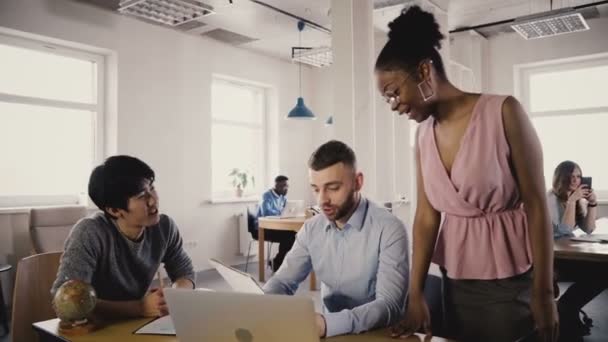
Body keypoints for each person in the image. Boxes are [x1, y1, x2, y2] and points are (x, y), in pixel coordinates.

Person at [375, 6, 558, 342]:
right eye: (387, 98)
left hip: (510, 279)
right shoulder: (423, 135)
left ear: (424, 70)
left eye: (394, 92)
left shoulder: (504, 111)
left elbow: (536, 205)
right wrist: (415, 293)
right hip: (453, 280)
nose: (394, 105)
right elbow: (427, 216)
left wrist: (543, 294)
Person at [263, 140, 409, 338]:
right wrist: (263, 302)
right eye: (316, 189)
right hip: (332, 334)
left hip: (378, 334)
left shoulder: (390, 229)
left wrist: (326, 324)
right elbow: (282, 281)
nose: (322, 200)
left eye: (332, 188)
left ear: (358, 182)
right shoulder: (311, 229)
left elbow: (389, 306)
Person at [51, 155, 195, 319]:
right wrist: (139, 308)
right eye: (141, 196)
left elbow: (185, 273)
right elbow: (65, 301)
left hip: (137, 324)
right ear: (114, 210)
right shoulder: (89, 233)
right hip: (98, 327)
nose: (152, 200)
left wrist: (174, 297)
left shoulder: (164, 227)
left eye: (152, 188)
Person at [548, 160, 607, 339]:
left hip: (567, 253)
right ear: (560, 178)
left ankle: (567, 306)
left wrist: (592, 204)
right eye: (570, 176)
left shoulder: (574, 198)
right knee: (602, 272)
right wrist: (573, 200)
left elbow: (589, 229)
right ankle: (567, 307)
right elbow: (563, 231)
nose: (575, 180)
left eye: (578, 176)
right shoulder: (551, 199)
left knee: (604, 270)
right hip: (553, 258)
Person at [256, 175, 296, 272]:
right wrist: (282, 213)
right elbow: (266, 213)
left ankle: (276, 262)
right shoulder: (267, 196)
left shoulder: (283, 198)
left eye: (287, 186)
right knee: (289, 237)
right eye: (284, 186)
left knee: (295, 235)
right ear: (277, 186)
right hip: (265, 229)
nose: (287, 188)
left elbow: (285, 211)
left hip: (278, 228)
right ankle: (277, 262)